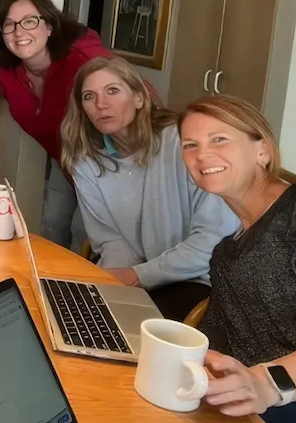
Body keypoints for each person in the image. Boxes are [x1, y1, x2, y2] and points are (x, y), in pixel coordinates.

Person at [179, 95, 296, 423]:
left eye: (219, 139)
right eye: (190, 145)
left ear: (263, 151)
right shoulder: (224, 254)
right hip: (247, 412)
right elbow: (218, 344)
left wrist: (268, 384)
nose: (202, 154)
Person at [60, 57, 238, 321]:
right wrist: (109, 284)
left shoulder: (183, 143)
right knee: (79, 318)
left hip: (198, 278)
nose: (101, 104)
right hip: (137, 275)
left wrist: (139, 276)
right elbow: (111, 241)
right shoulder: (86, 162)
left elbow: (212, 243)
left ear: (140, 98)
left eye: (113, 90)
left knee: (140, 334)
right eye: (89, 96)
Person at [0, 0, 114, 252]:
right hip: (64, 154)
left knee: (86, 237)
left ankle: (79, 291)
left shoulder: (86, 60)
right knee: (52, 227)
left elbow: (137, 99)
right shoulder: (5, 73)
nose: (19, 32)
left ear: (49, 26)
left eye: (30, 21)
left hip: (103, 159)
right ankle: (49, 288)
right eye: (9, 24)